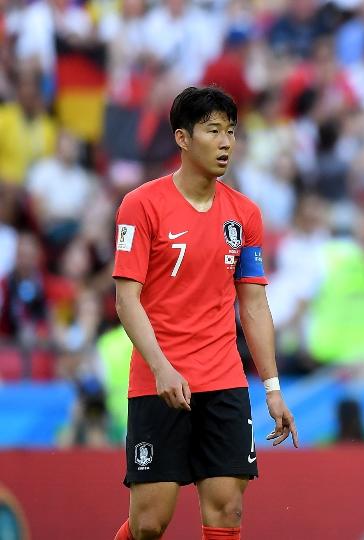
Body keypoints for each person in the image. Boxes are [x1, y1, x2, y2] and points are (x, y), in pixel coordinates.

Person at [111, 86, 298, 540]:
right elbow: (125, 300)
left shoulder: (245, 215)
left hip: (224, 380)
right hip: (159, 380)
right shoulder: (141, 206)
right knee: (150, 523)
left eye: (231, 132)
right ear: (182, 138)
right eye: (213, 130)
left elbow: (253, 305)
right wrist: (161, 368)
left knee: (227, 510)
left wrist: (272, 387)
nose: (226, 142)